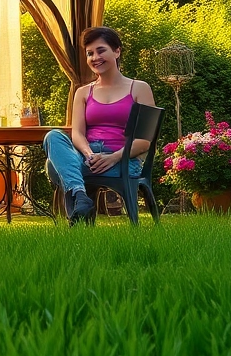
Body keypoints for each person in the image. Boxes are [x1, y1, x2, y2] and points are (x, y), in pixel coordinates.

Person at [43, 26, 157, 225]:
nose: (95, 57)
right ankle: (81, 196)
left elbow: (145, 139)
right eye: (90, 53)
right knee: (53, 136)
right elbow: (77, 134)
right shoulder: (83, 92)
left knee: (54, 166)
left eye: (101, 50)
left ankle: (79, 206)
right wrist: (89, 155)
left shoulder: (139, 88)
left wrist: (113, 157)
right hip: (89, 158)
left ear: (117, 51)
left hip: (123, 160)